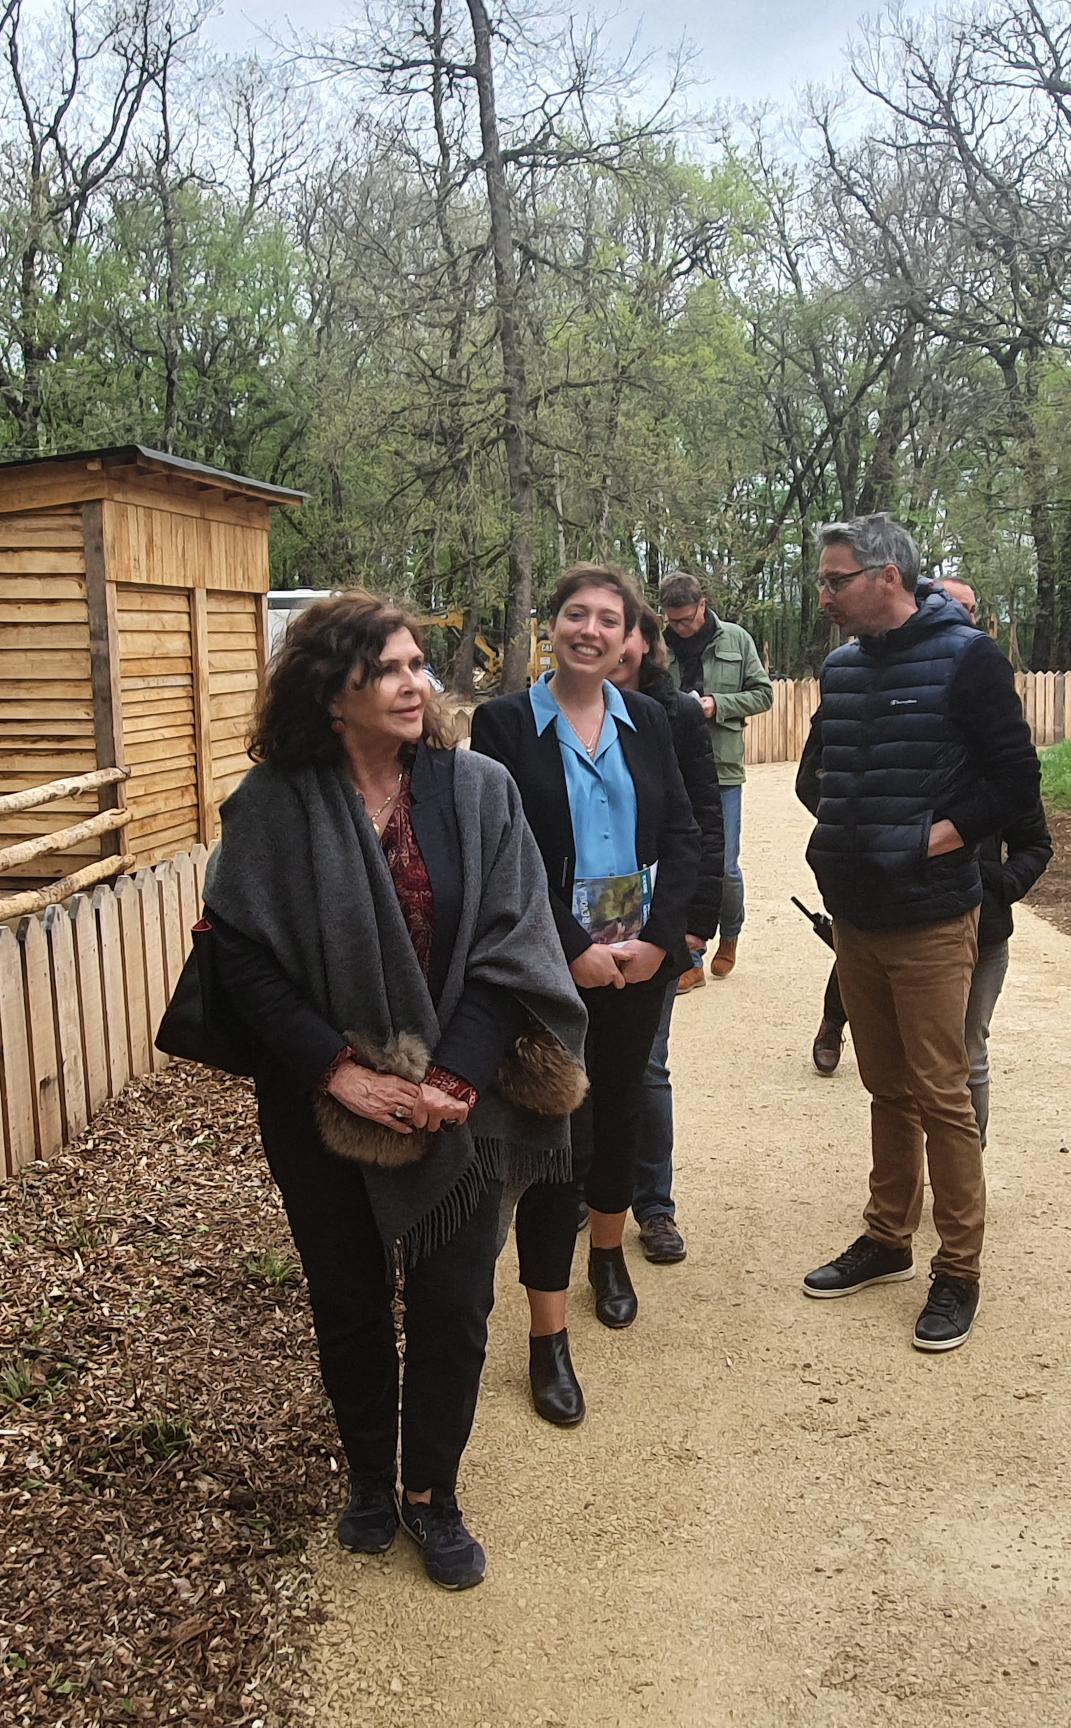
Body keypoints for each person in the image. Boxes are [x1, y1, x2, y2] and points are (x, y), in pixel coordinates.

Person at [204, 593, 589, 1592]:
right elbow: (240, 959)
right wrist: (340, 1074)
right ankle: (370, 1479)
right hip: (319, 1100)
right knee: (348, 1299)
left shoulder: (478, 791)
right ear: (334, 692)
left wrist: (451, 1078)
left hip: (462, 1105)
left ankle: (434, 1492)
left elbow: (516, 943)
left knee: (457, 1301)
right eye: (393, 671)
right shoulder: (273, 807)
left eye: (420, 666)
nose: (419, 685)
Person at [794, 516, 1039, 1352]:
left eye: (836, 580)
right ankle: (888, 1237)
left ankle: (959, 1270)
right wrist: (840, 832)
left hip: (934, 916)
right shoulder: (844, 666)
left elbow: (1014, 782)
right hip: (856, 911)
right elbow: (819, 769)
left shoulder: (971, 659)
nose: (823, 595)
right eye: (823, 581)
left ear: (887, 576)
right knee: (885, 1084)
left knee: (941, 1093)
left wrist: (925, 840)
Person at [470, 565, 703, 1425]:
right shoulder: (502, 725)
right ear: (552, 625)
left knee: (623, 1113)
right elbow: (503, 850)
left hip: (637, 957)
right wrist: (568, 950)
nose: (592, 631)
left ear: (631, 637)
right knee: (555, 1136)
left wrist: (663, 938)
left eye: (611, 619)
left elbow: (682, 832)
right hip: (547, 965)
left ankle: (610, 1249)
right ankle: (546, 1335)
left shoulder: (651, 719)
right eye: (577, 614)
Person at [809, 575, 1055, 1149]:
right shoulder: (878, 702)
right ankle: (896, 1209)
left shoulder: (992, 740)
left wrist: (990, 880)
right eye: (947, 608)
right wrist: (867, 835)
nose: (956, 620)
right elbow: (815, 775)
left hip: (976, 920)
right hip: (880, 900)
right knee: (891, 1073)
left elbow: (1033, 838)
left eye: (967, 610)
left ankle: (960, 1175)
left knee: (960, 1062)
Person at [613, 607, 725, 1263]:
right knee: (577, 1062)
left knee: (645, 1065)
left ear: (645, 641)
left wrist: (694, 925)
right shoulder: (548, 715)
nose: (604, 638)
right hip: (572, 928)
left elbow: (705, 820)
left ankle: (653, 1206)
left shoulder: (675, 713)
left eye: (619, 625)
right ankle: (580, 1188)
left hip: (656, 919)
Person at [659, 570, 774, 990]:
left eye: (686, 620)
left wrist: (716, 705)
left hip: (722, 767)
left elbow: (763, 694)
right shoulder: (656, 644)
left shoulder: (738, 640)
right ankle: (690, 957)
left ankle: (730, 935)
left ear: (703, 606)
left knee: (723, 865)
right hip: (670, 766)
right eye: (673, 621)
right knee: (676, 860)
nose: (680, 628)